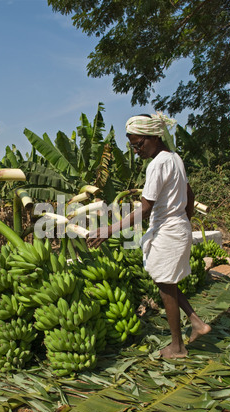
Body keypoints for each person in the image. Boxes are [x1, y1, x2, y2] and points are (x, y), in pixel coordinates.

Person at [88, 112, 211, 359]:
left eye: (139, 144)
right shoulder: (174, 158)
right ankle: (196, 322)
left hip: (168, 231)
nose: (136, 150)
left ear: (154, 136)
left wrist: (108, 230)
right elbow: (190, 192)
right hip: (175, 228)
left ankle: (177, 346)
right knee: (165, 281)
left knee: (166, 286)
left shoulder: (157, 164)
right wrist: (184, 219)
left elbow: (145, 208)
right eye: (133, 145)